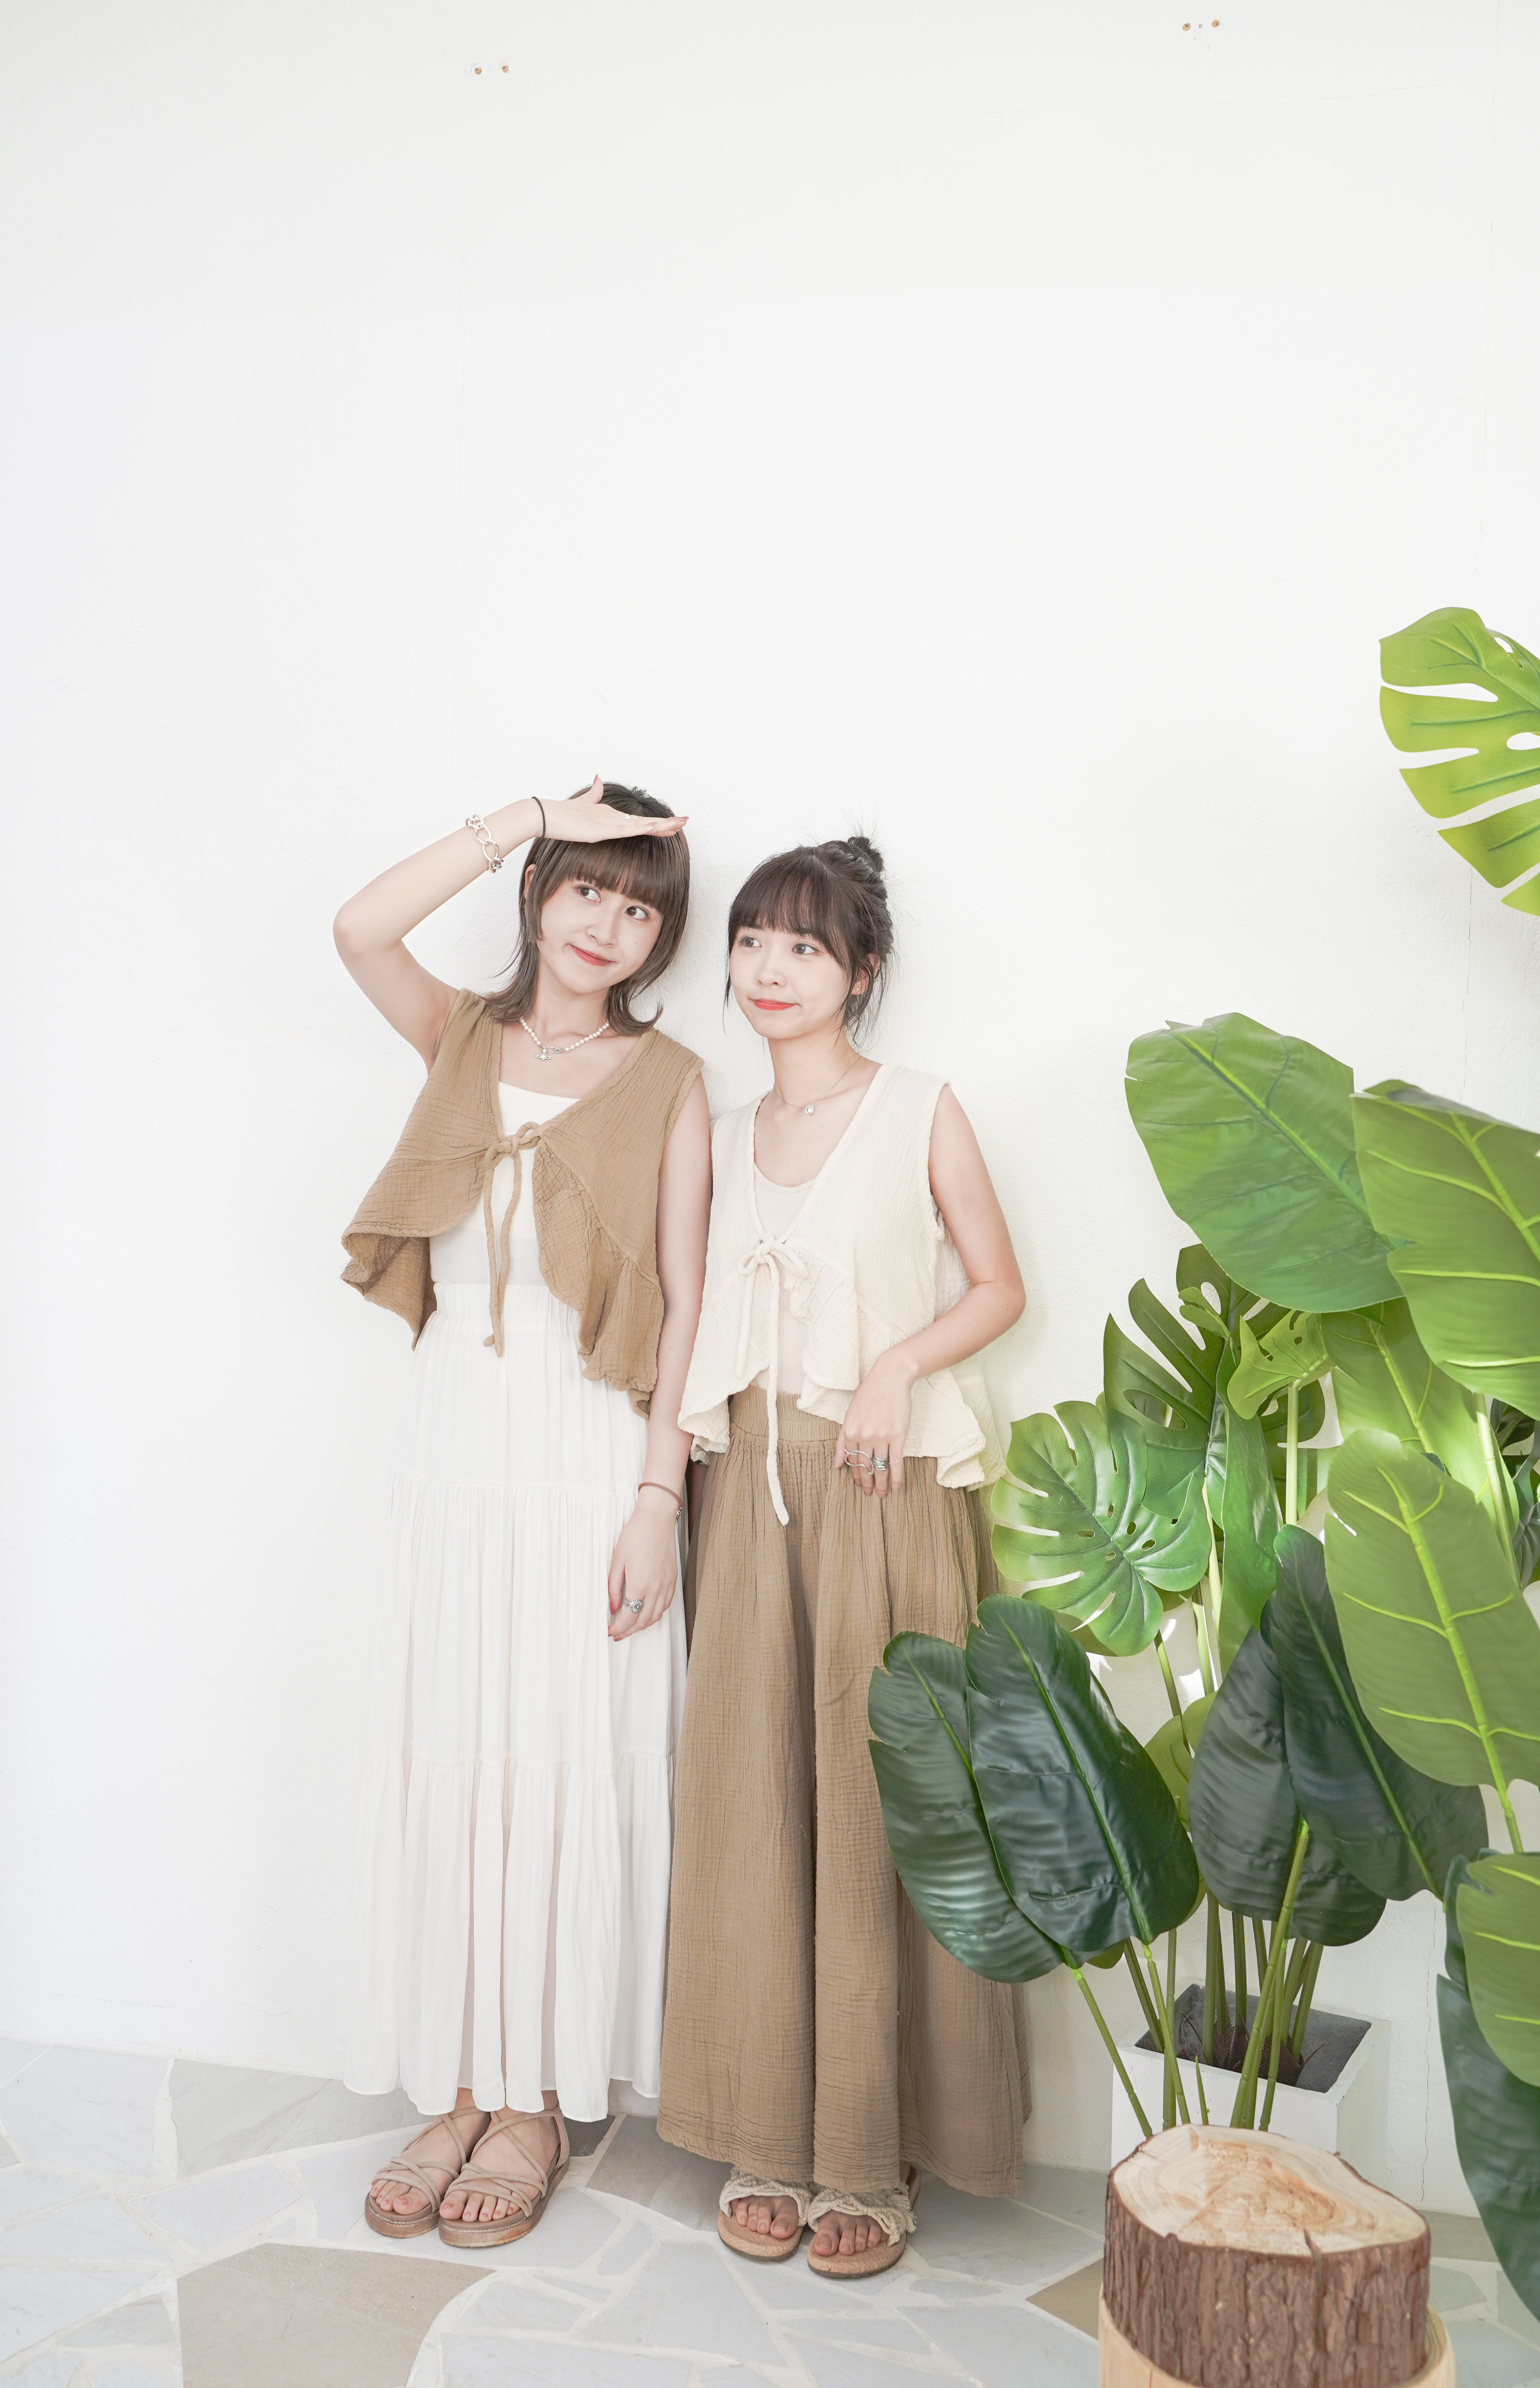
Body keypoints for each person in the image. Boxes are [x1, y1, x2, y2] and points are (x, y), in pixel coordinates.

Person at [334, 780, 711, 2250]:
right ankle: (458, 2085)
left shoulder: (670, 1082)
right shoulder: (461, 1036)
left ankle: (537, 2102)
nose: (609, 926)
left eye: (641, 908)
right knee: (458, 1751)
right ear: (541, 893)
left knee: (561, 1756)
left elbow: (680, 1301)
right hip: (451, 1449)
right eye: (588, 889)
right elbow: (359, 928)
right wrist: (524, 813)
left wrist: (659, 1498)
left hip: (587, 1444)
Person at [660, 834, 1030, 2277]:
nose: (769, 968)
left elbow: (998, 1286)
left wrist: (893, 1366)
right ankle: (768, 2128)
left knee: (886, 1813)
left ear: (860, 973)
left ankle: (873, 2152)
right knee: (754, 1800)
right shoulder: (714, 1126)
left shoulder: (921, 1106)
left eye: (805, 946)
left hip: (885, 1489)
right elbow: (685, 1312)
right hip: (746, 1499)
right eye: (753, 939)